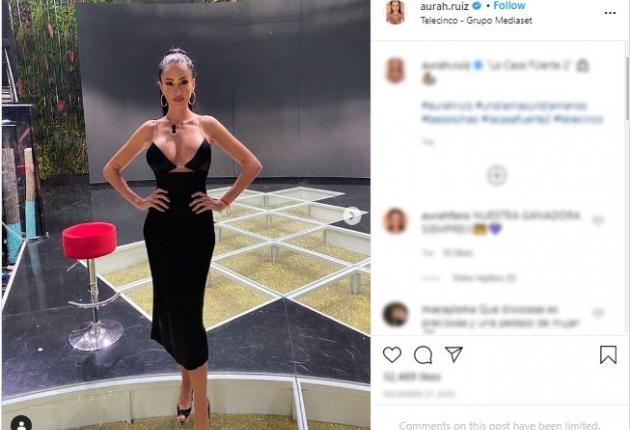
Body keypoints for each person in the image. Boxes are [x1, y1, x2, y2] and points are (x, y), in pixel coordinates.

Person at [102, 48, 263, 429]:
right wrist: (138, 200)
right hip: (159, 231)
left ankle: (201, 412)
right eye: (170, 82)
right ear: (160, 86)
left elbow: (252, 164)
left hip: (196, 231)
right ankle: (186, 387)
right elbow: (112, 169)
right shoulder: (148, 130)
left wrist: (222, 201)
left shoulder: (207, 125)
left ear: (194, 85)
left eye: (183, 82)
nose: (177, 89)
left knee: (190, 316)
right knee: (173, 314)